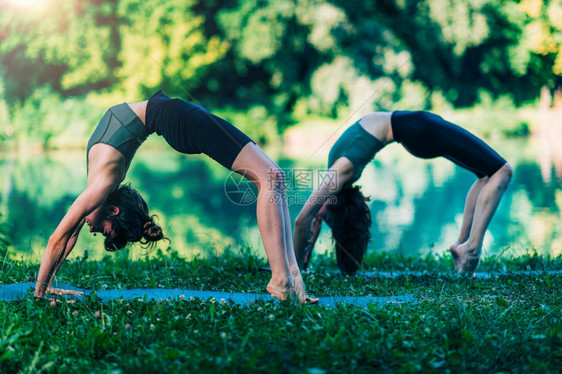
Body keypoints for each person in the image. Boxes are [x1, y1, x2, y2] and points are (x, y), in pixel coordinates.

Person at [34, 90, 317, 303]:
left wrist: (39, 294)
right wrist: (48, 286)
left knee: (272, 177)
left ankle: (287, 279)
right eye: (103, 233)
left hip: (177, 118)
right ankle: (286, 279)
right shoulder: (98, 186)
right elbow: (69, 236)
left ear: (114, 211)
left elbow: (58, 237)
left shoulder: (100, 185)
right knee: (271, 177)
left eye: (105, 231)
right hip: (176, 117)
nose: (94, 230)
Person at [294, 110, 513, 275]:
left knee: (486, 175)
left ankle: (462, 244)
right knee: (502, 172)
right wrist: (294, 272)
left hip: (414, 130)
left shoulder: (337, 181)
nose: (321, 216)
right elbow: (302, 220)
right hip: (417, 129)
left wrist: (299, 266)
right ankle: (472, 249)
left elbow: (311, 220)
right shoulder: (341, 172)